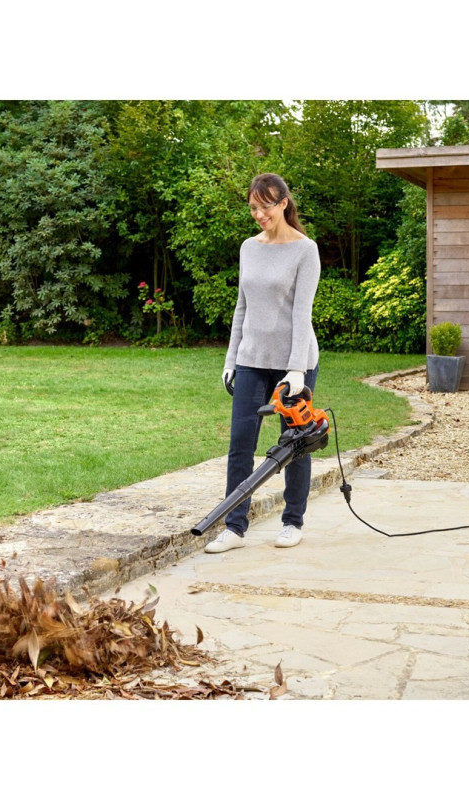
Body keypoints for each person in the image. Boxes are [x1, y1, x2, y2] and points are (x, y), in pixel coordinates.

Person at [205, 173, 321, 554]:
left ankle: (293, 521)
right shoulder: (248, 248)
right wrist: (231, 359)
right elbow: (242, 307)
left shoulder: (306, 250)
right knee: (241, 443)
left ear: (283, 203)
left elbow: (302, 314)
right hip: (252, 359)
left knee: (295, 443)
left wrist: (297, 369)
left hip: (294, 363)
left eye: (265, 207)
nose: (258, 214)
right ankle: (234, 527)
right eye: (253, 208)